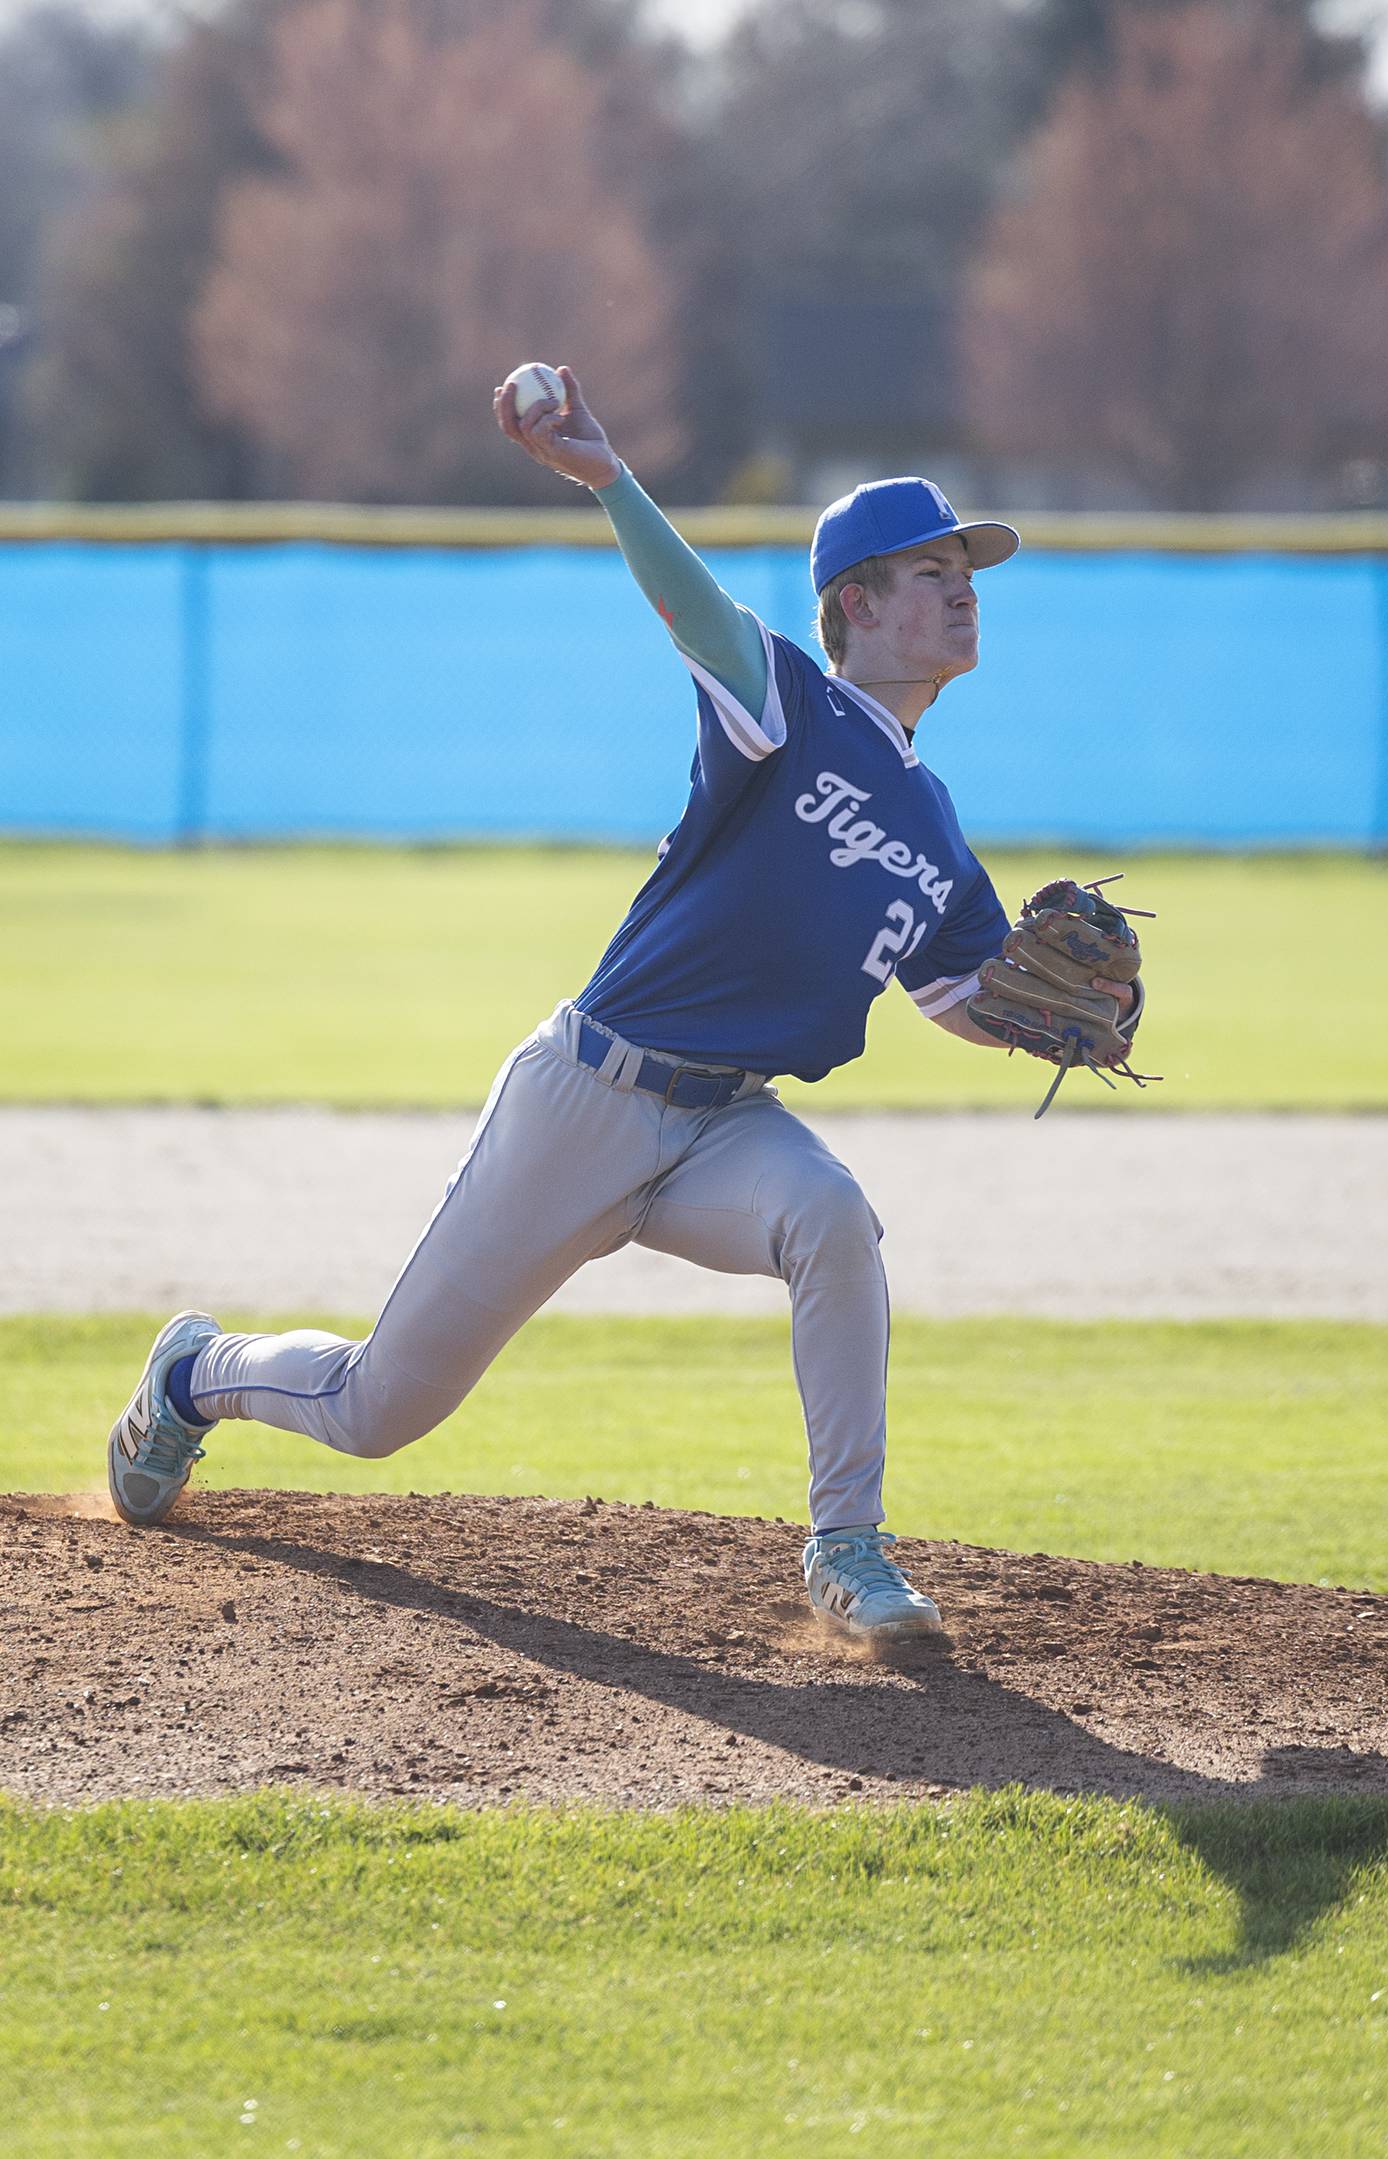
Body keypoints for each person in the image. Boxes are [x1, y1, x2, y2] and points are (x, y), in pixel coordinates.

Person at [107, 366, 1134, 1641]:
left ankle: (848, 1546)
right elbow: (696, 614)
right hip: (585, 1098)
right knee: (380, 1410)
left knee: (832, 1219)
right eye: (933, 570)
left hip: (724, 1129)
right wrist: (612, 480)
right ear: (856, 606)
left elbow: (962, 998)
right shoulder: (793, 705)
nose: (965, 586)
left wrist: (1057, 1016)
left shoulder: (939, 832)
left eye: (967, 568)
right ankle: (192, 1374)